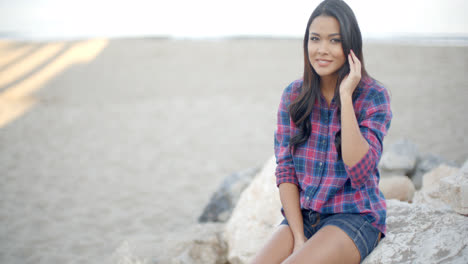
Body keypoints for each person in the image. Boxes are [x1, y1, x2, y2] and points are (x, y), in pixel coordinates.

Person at [250, 0, 392, 263]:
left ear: (350, 46)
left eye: (334, 41)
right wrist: (299, 236)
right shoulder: (294, 95)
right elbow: (286, 171)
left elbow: (360, 171)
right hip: (304, 216)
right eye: (315, 39)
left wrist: (346, 96)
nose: (322, 50)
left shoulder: (374, 97)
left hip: (354, 217)